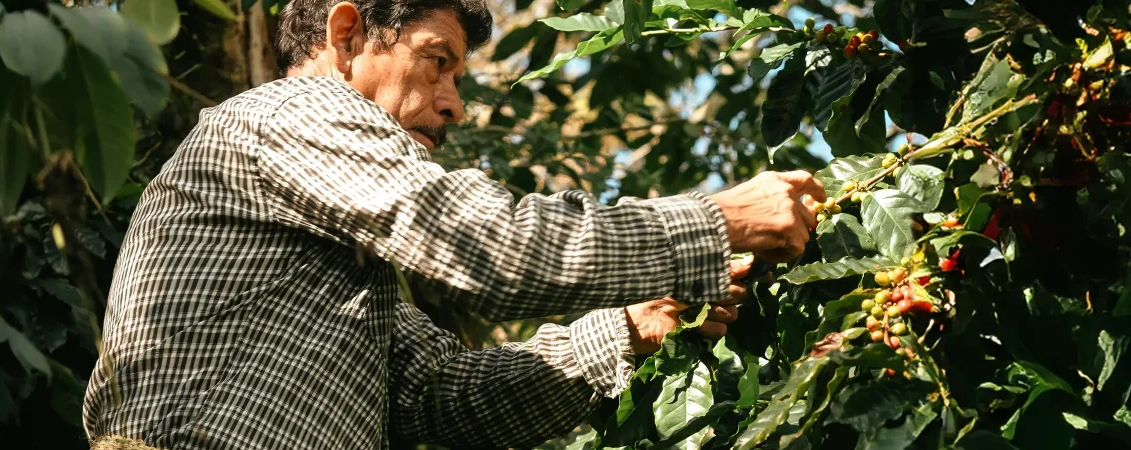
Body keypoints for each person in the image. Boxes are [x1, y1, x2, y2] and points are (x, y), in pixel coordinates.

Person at [82, 1, 826, 448]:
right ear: (347, 35)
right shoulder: (284, 117)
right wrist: (717, 220)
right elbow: (491, 247)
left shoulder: (334, 252)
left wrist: (637, 323)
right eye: (437, 62)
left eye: (458, 77)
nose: (454, 103)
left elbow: (442, 393)